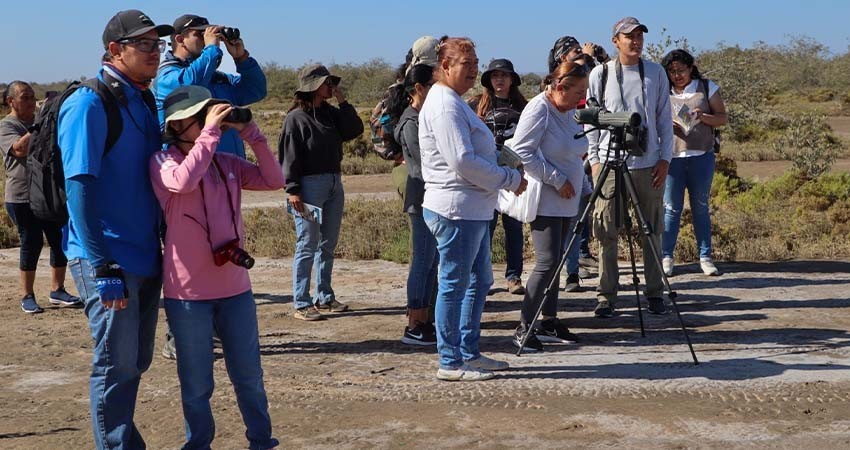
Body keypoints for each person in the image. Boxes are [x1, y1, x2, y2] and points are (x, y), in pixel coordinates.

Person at [57, 10, 171, 449]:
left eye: (156, 44)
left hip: (144, 255)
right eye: (143, 44)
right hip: (108, 260)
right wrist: (101, 263)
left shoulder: (141, 99)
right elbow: (79, 187)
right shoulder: (89, 102)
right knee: (116, 365)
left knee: (136, 361)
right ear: (114, 50)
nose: (154, 52)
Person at [151, 85, 282, 450]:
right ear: (177, 125)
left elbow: (274, 179)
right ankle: (199, 445)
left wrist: (252, 135)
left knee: (249, 377)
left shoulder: (226, 164)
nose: (213, 121)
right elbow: (184, 181)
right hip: (188, 295)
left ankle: (262, 441)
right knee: (196, 384)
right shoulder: (163, 162)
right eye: (201, 115)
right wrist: (210, 132)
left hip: (236, 289)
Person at [419, 36, 526, 381]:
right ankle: (450, 361)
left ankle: (469, 351)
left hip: (473, 209)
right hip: (456, 209)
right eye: (467, 65)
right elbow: (463, 161)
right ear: (445, 66)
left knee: (479, 280)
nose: (474, 71)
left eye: (475, 65)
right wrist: (509, 178)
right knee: (454, 282)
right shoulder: (445, 104)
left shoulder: (455, 101)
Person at [586, 17, 674, 318]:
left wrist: (665, 159)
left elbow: (664, 119)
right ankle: (606, 296)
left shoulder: (656, 72)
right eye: (629, 36)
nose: (635, 41)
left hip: (647, 162)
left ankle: (654, 293)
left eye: (639, 36)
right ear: (615, 41)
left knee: (651, 230)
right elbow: (593, 121)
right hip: (609, 162)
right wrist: (595, 161)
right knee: (605, 230)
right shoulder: (600, 73)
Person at [510, 60, 588, 352]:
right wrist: (557, 179)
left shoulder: (567, 111)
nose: (581, 98)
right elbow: (521, 152)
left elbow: (574, 148)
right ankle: (523, 326)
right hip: (546, 198)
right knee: (545, 262)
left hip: (567, 200)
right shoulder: (539, 108)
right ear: (558, 86)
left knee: (556, 262)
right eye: (577, 91)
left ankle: (549, 320)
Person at [279, 64, 364, 321]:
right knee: (307, 244)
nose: (332, 87)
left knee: (328, 244)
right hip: (309, 186)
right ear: (313, 86)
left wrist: (342, 100)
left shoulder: (330, 114)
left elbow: (354, 129)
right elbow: (289, 157)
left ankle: (324, 296)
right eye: (328, 83)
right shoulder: (295, 119)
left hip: (334, 183)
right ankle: (301, 301)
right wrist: (293, 190)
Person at [1, 81, 82, 313]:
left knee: (58, 241)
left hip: (46, 193)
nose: (29, 102)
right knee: (31, 242)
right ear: (11, 102)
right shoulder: (7, 126)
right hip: (21, 196)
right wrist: (39, 124)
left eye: (30, 97)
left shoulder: (39, 121)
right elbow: (19, 149)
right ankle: (27, 294)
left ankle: (57, 290)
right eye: (24, 97)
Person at [154, 14, 267, 158]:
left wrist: (241, 58)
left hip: (229, 169)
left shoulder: (217, 78)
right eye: (200, 34)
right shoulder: (166, 78)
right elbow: (191, 88)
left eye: (208, 34)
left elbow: (256, 90)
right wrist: (211, 49)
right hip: (191, 171)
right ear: (180, 39)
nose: (206, 39)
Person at [661, 49, 727, 277]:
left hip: (701, 157)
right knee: (671, 209)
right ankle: (666, 256)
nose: (677, 75)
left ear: (691, 68)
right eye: (671, 71)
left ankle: (705, 256)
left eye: (681, 70)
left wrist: (704, 117)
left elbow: (722, 117)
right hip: (672, 159)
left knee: (700, 207)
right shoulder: (662, 91)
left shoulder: (707, 87)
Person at [468, 58, 528, 295]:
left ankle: (514, 277)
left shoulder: (523, 107)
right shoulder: (476, 106)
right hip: (486, 175)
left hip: (513, 175)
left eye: (504, 75)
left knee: (514, 228)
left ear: (512, 79)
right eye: (495, 75)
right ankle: (483, 277)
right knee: (485, 230)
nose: (499, 79)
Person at [388, 63, 438, 345]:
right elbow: (422, 167)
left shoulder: (422, 117)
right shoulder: (411, 122)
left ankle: (424, 320)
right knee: (423, 260)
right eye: (432, 85)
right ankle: (415, 323)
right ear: (418, 89)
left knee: (431, 261)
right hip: (421, 198)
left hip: (428, 197)